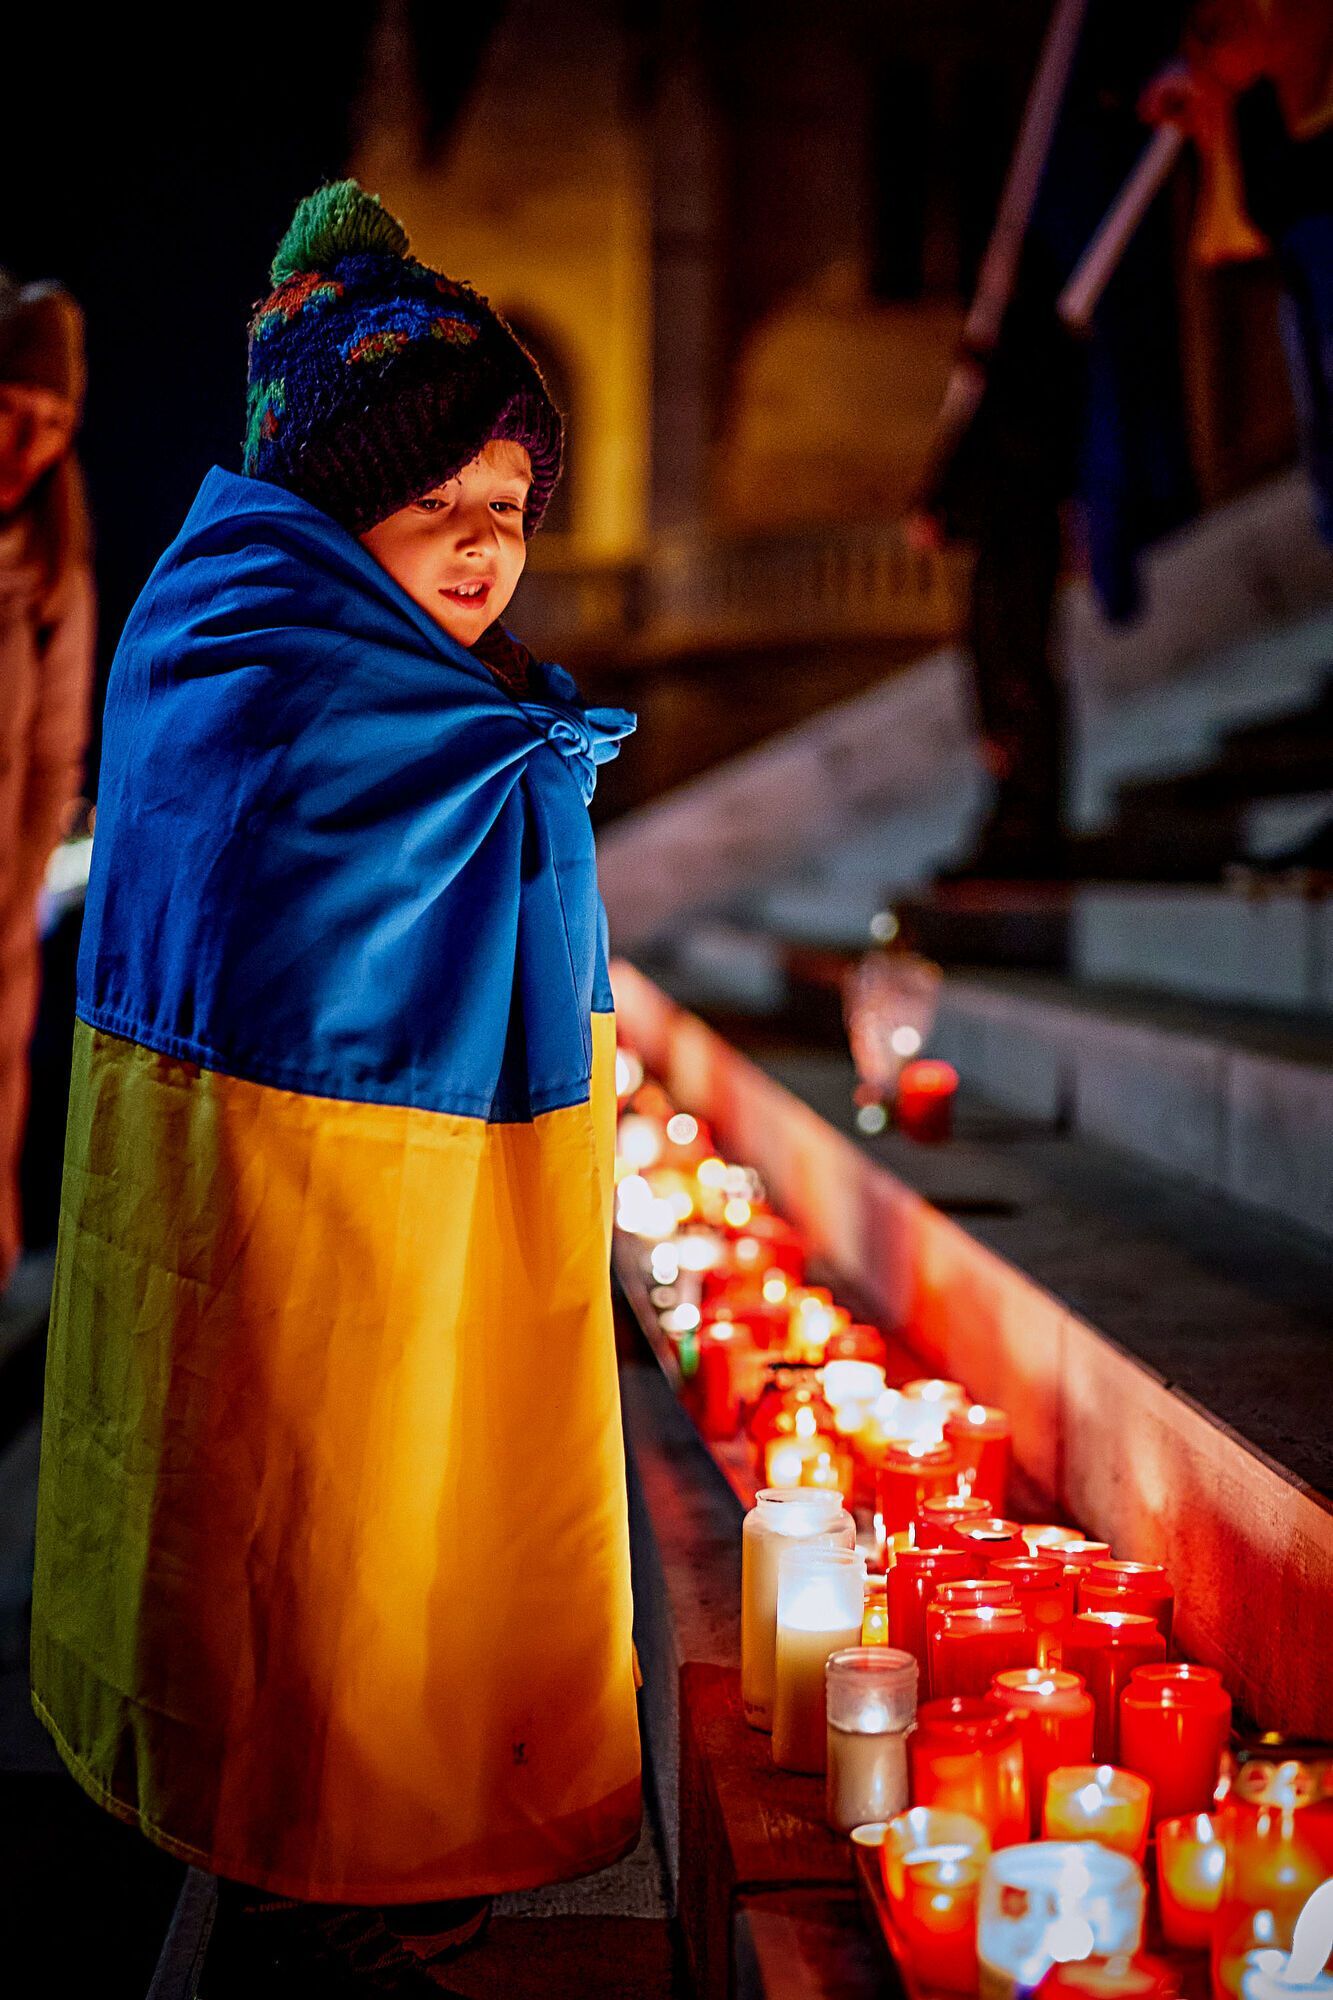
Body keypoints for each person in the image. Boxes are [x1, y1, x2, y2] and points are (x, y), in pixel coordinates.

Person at [29, 181, 642, 1994]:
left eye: (509, 510)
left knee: (380, 1502)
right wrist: (516, 746)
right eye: (430, 499)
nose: (478, 550)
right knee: (308, 1495)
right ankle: (310, 1860)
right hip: (291, 1179)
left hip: (386, 1160)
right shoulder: (259, 650)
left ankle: (367, 1819)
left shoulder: (369, 670)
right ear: (326, 500)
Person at [0, 273, 95, 1292]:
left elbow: (53, 755)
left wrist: (19, 887)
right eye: (10, 412)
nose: (28, 447)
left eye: (54, 421)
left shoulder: (55, 569)